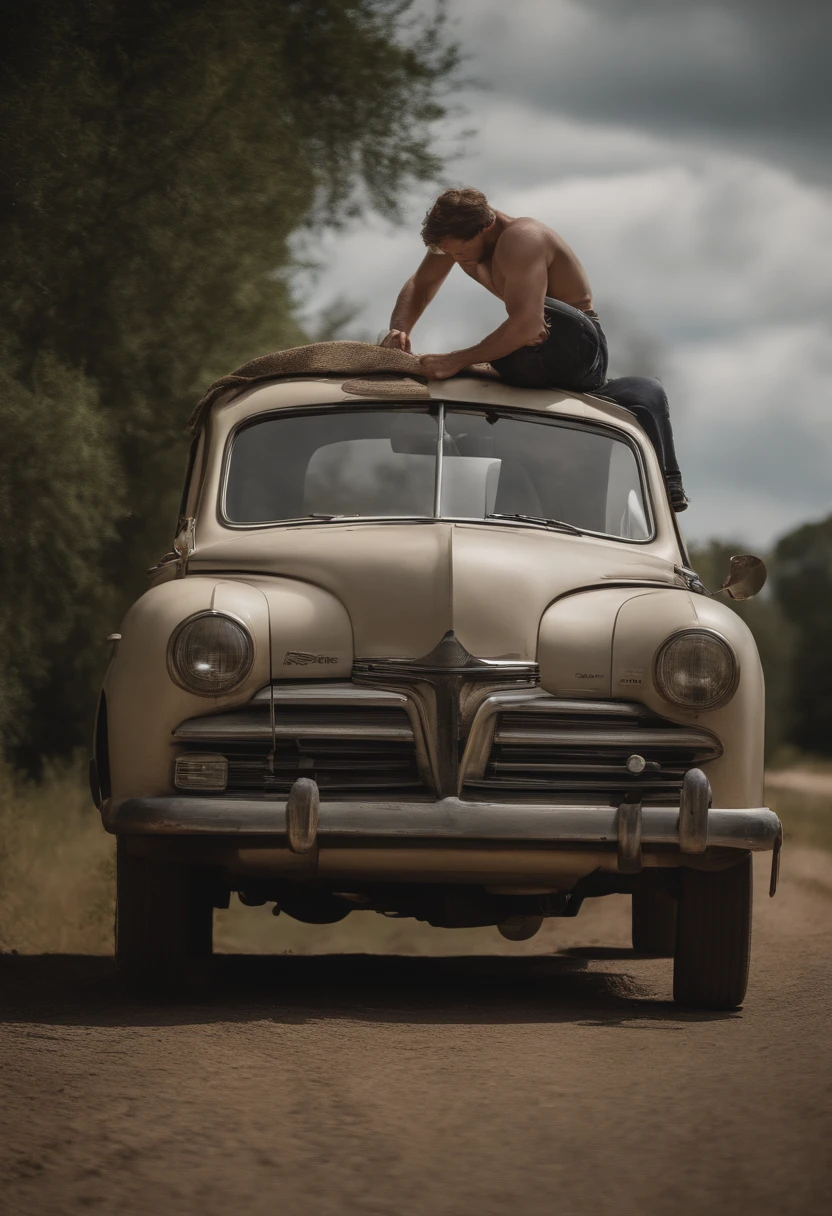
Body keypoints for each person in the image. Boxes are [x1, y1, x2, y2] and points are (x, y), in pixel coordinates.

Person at [380, 187, 688, 511]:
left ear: (486, 227)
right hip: (528, 345)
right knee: (495, 359)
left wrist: (455, 360)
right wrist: (399, 329)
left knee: (516, 333)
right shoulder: (454, 238)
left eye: (462, 252)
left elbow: (529, 325)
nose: (458, 260)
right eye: (450, 254)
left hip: (577, 345)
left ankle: (665, 478)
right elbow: (422, 284)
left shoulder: (521, 237)